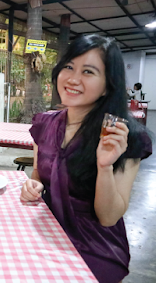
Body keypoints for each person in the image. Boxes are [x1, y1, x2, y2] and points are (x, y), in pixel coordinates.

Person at [20, 34, 152, 283]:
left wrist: (105, 166)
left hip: (95, 246)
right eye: (69, 67)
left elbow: (109, 217)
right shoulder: (43, 124)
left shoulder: (124, 137)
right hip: (47, 230)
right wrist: (34, 185)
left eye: (88, 72)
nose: (73, 78)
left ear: (107, 85)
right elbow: (38, 176)